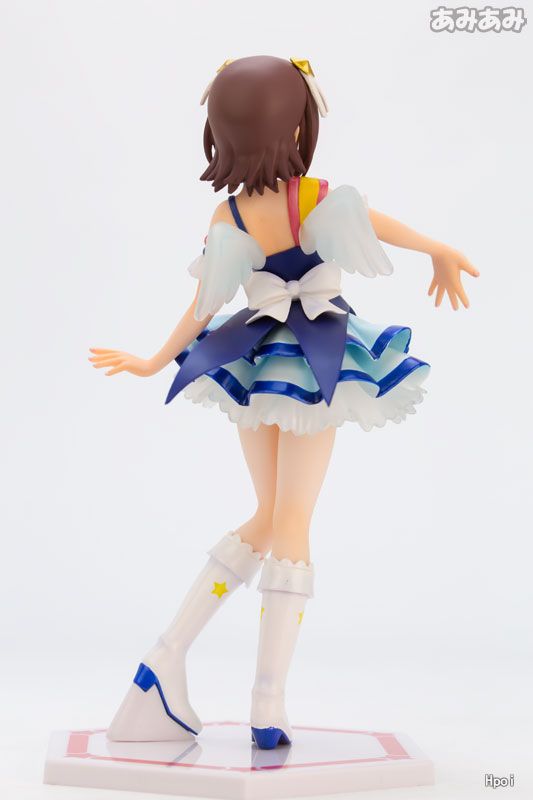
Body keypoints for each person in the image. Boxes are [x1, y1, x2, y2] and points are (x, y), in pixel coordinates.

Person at [90, 55, 478, 750]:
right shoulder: (317, 197)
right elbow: (381, 228)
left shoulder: (228, 213)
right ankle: (267, 702)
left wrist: (152, 360)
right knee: (291, 520)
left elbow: (203, 303)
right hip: (314, 359)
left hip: (253, 356)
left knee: (269, 516)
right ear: (296, 127)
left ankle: (162, 658)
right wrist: (439, 250)